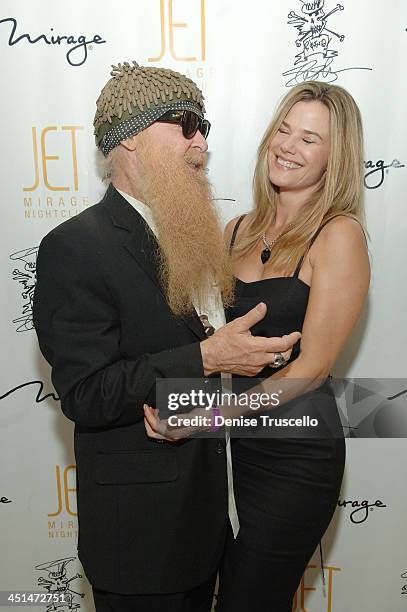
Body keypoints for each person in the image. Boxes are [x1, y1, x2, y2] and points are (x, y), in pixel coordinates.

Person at [32, 61, 300, 612]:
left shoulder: (194, 235)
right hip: (140, 541)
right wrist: (205, 356)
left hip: (206, 527)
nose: (200, 139)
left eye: (204, 124)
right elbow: (85, 393)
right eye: (183, 123)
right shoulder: (75, 246)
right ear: (129, 137)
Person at [144, 80, 370, 611]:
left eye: (310, 139)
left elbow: (311, 368)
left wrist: (206, 416)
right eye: (284, 130)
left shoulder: (338, 235)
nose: (288, 146)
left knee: (248, 600)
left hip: (297, 451)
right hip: (234, 447)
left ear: (336, 159)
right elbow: (208, 341)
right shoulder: (234, 230)